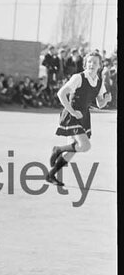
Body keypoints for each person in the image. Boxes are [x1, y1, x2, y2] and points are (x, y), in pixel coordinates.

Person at [46, 51, 112, 186]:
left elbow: (100, 104)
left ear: (100, 65)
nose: (91, 64)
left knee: (72, 151)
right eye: (89, 62)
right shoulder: (78, 77)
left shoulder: (99, 82)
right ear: (85, 64)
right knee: (85, 146)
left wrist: (106, 100)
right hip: (72, 114)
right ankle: (58, 149)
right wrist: (73, 112)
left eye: (95, 62)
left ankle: (50, 175)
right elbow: (61, 94)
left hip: (84, 116)